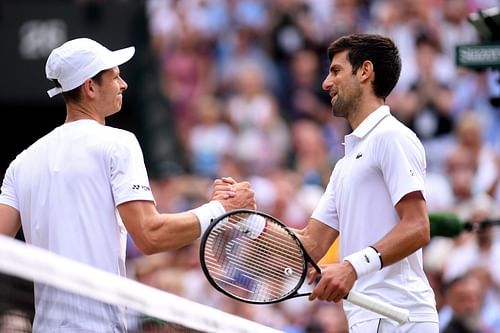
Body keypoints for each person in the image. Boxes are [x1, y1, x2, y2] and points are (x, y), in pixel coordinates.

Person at [0, 37, 255, 332]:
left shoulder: (21, 163)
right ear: (90, 87)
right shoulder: (118, 143)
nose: (123, 85)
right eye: (116, 77)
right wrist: (220, 209)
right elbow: (150, 235)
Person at [295, 33, 439, 332]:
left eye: (335, 71)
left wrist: (351, 267)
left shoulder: (391, 136)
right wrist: (246, 222)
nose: (326, 83)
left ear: (365, 71)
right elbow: (310, 246)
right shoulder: (345, 164)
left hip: (402, 317)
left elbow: (418, 226)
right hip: (368, 319)